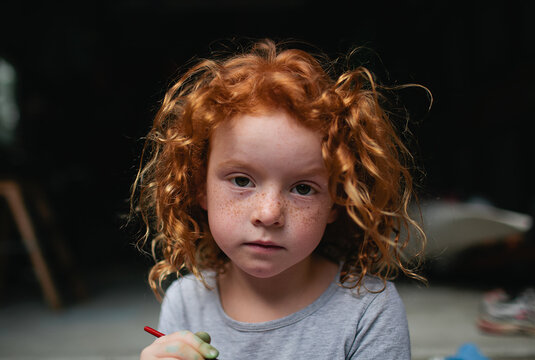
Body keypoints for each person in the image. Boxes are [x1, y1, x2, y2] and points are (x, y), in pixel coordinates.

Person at [132, 39, 426, 360]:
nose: (269, 213)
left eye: (302, 188)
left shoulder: (368, 312)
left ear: (338, 201)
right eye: (242, 181)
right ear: (199, 186)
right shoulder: (185, 303)